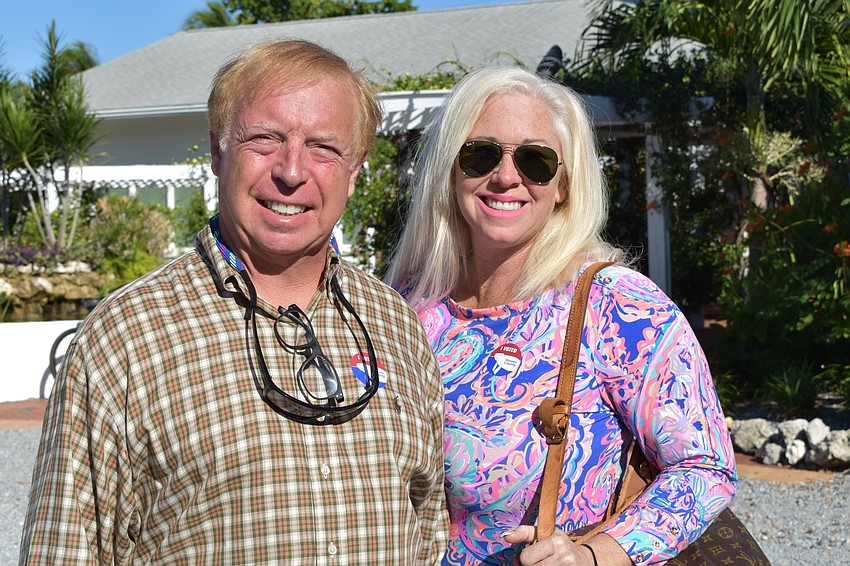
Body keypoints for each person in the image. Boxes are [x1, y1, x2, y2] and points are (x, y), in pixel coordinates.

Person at [21, 39, 448, 564]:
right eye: (265, 139)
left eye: (324, 147)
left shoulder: (396, 325)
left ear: (355, 170)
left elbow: (428, 533)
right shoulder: (124, 340)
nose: (292, 172)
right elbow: (65, 551)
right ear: (219, 151)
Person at [385, 66, 737, 565]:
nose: (506, 176)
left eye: (535, 159)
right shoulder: (402, 302)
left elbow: (706, 466)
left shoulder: (618, 306)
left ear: (564, 183)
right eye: (480, 153)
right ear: (450, 168)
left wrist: (598, 556)